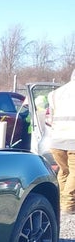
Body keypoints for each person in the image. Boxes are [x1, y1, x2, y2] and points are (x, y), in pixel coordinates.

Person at [48, 69, 75, 214]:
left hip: (56, 140)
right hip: (73, 139)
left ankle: (57, 202)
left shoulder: (56, 93)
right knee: (74, 173)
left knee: (64, 171)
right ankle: (68, 206)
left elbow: (51, 117)